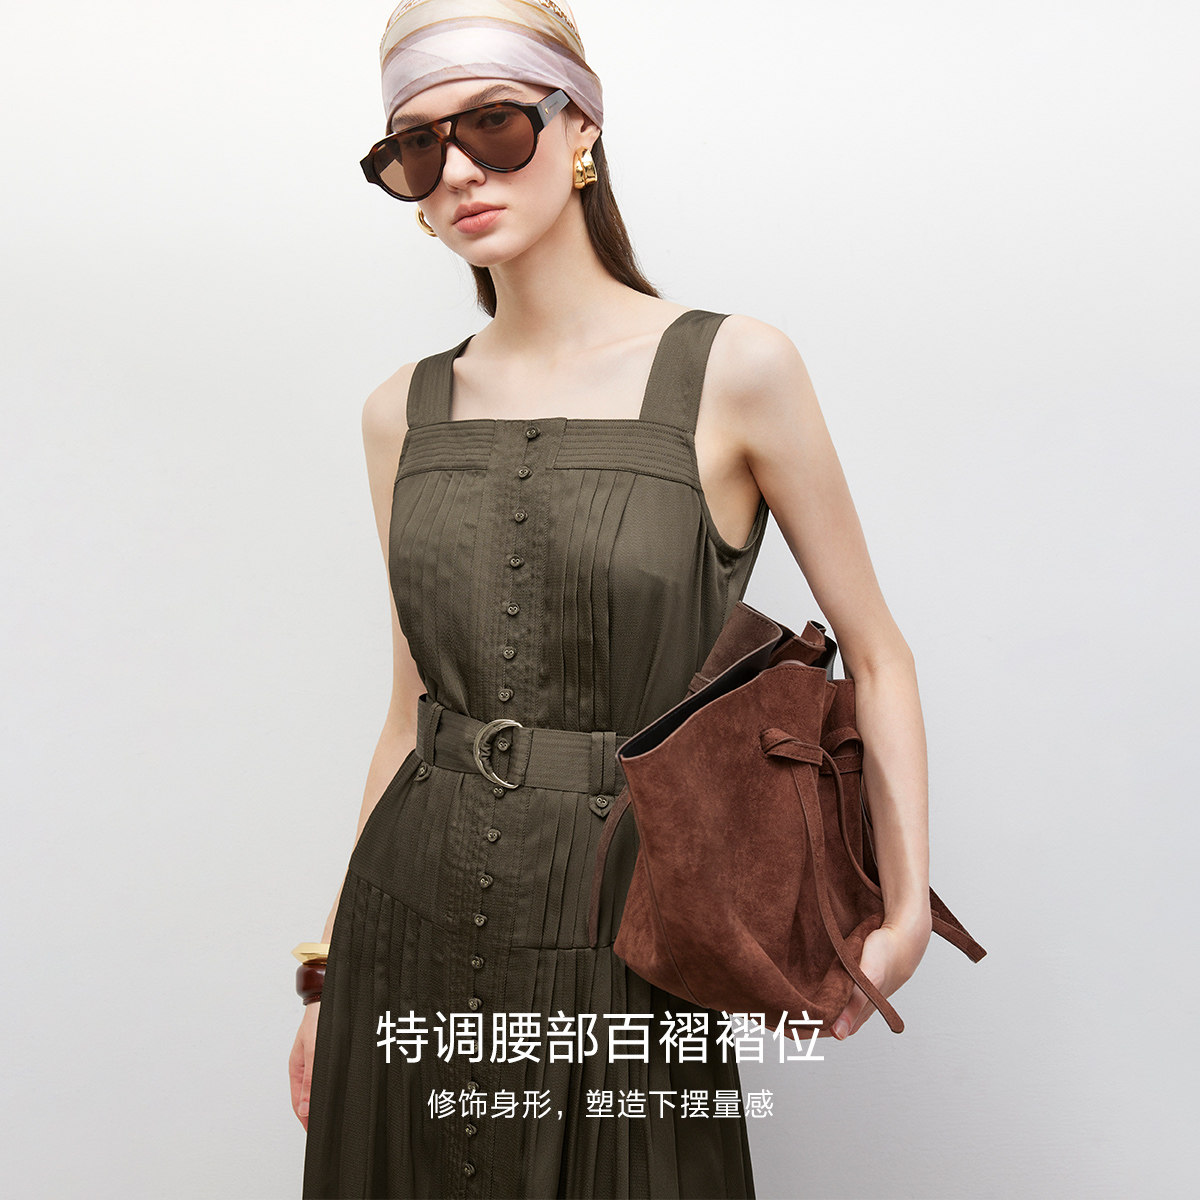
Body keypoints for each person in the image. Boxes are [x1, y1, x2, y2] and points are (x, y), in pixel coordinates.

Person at [290, 1, 935, 1196]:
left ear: (580, 125)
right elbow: (409, 712)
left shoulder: (736, 369)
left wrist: (904, 916)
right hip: (406, 914)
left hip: (626, 918)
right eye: (418, 148)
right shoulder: (398, 414)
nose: (459, 172)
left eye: (494, 124)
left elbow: (877, 652)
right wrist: (328, 979)